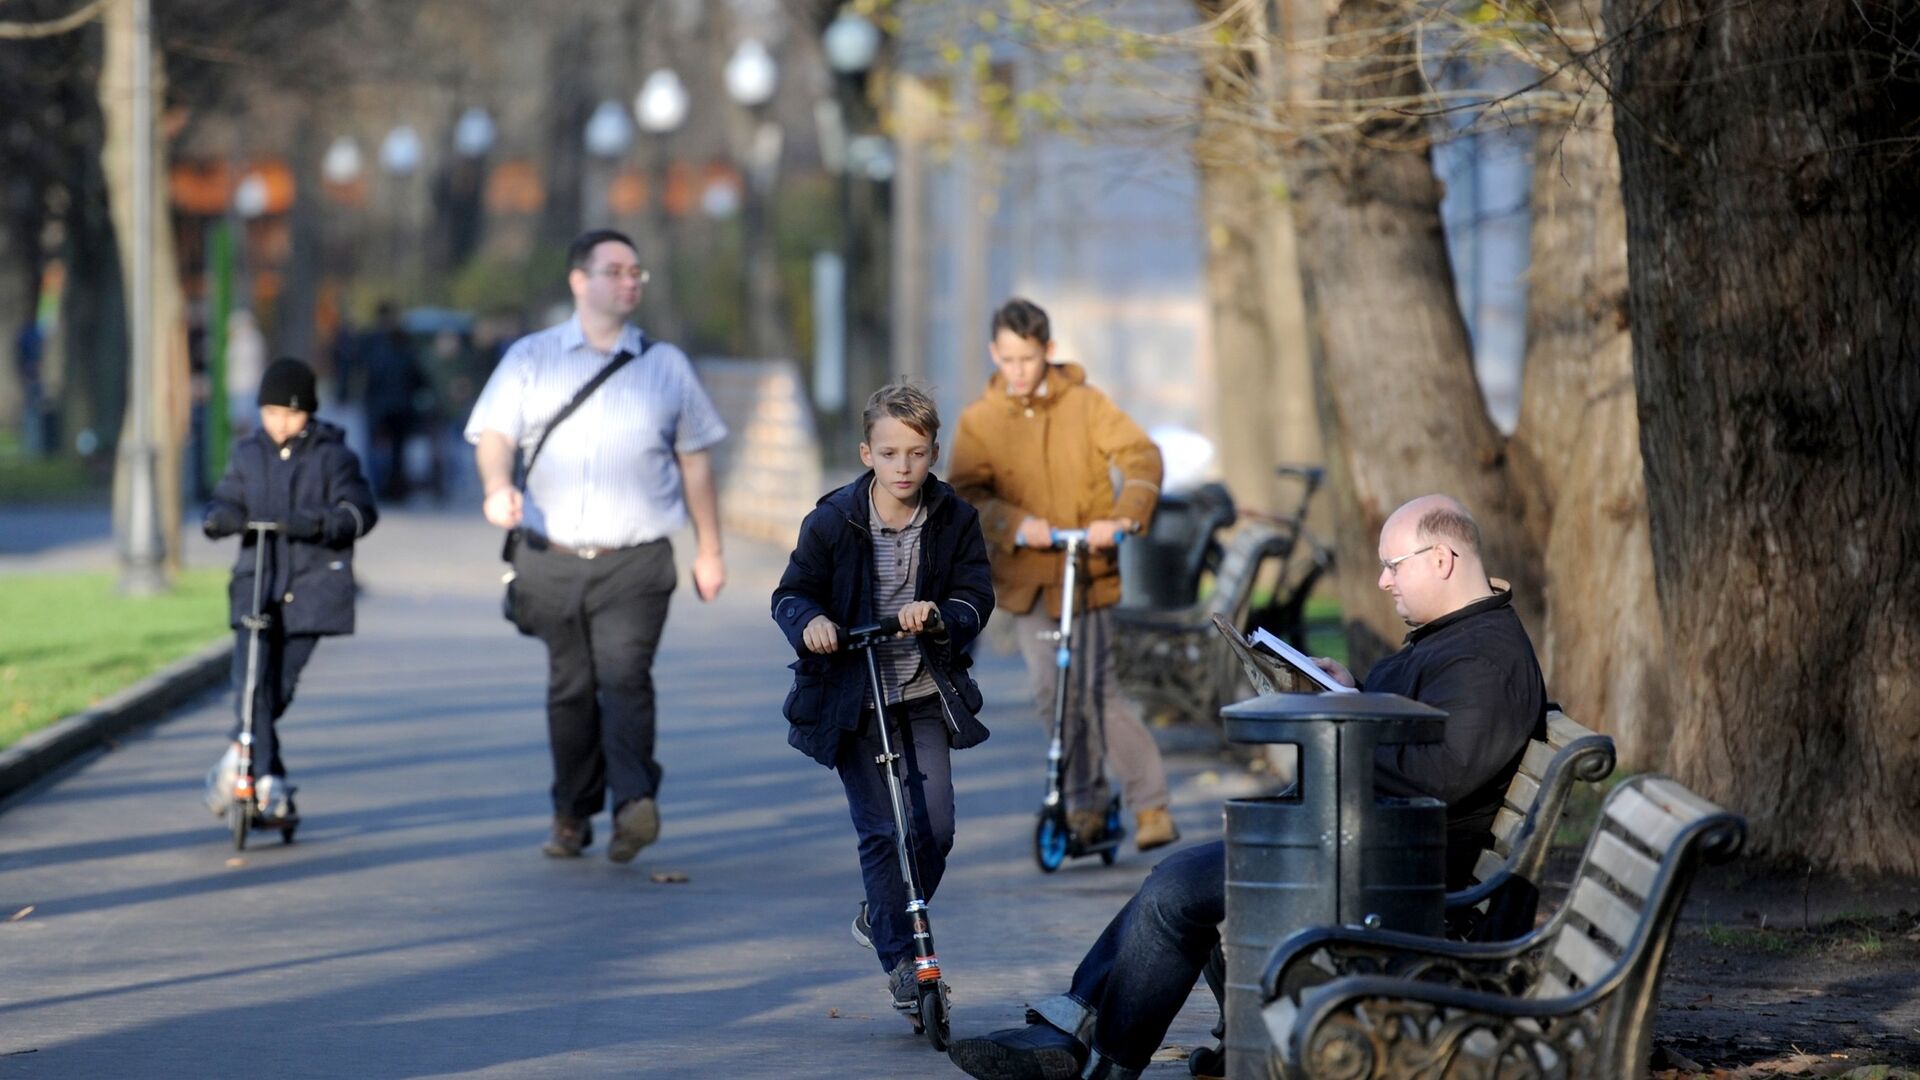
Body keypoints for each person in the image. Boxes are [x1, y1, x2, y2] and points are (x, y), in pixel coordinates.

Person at [946, 494, 1548, 1080]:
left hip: (1399, 875)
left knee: (1178, 889)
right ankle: (1075, 1031)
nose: (1385, 582)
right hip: (1369, 846)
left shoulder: (1484, 659)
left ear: (1441, 560)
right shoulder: (1456, 640)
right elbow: (1424, 735)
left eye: (1394, 565)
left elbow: (1438, 776)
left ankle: (1095, 1055)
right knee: (1180, 879)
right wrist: (1351, 694)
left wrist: (1334, 726)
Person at [466, 228, 728, 863]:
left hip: (635, 561)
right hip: (549, 558)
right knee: (570, 687)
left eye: (636, 270)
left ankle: (634, 804)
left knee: (625, 676)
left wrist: (710, 549)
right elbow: (494, 435)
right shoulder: (531, 358)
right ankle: (571, 813)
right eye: (614, 270)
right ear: (579, 281)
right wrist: (497, 486)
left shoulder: (665, 366)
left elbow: (695, 463)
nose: (630, 280)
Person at [771, 383, 997, 1017]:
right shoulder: (832, 520)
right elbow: (790, 594)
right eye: (891, 453)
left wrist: (942, 614)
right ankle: (904, 964)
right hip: (851, 696)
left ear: (933, 453)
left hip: (923, 691)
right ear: (867, 452)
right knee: (881, 830)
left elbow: (977, 595)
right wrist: (810, 622)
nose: (904, 467)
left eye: (918, 454)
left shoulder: (954, 519)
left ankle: (883, 913)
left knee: (935, 826)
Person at [947, 298, 1177, 853]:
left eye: (1028, 359)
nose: (1018, 371)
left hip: (1086, 573)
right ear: (993, 354)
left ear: (1048, 352)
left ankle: (1150, 805)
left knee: (1097, 690)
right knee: (1053, 692)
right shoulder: (980, 420)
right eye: (1008, 360)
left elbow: (1141, 455)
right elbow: (965, 494)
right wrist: (1017, 525)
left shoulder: (1085, 404)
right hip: (1028, 580)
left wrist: (1122, 516)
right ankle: (1085, 807)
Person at [202, 357, 379, 821]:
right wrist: (220, 517)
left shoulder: (333, 456)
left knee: (276, 688)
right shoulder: (247, 454)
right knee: (250, 685)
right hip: (256, 582)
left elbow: (361, 512)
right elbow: (226, 497)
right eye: (271, 413)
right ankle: (268, 779)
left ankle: (234, 764)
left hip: (311, 585)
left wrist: (316, 523)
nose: (280, 424)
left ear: (309, 413)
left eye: (291, 414)